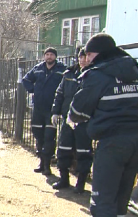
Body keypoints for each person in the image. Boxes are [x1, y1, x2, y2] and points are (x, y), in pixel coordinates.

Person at [68, 34, 138, 217]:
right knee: (122, 194)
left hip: (112, 141)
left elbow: (78, 109)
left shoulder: (99, 74)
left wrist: (73, 119)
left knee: (103, 196)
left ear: (100, 53)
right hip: (137, 139)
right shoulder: (136, 70)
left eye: (90, 54)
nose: (88, 59)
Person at [51, 48, 92, 193]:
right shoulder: (68, 74)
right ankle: (63, 179)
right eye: (80, 57)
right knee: (63, 148)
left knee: (83, 151)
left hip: (84, 121)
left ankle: (81, 183)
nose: (82, 60)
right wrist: (55, 112)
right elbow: (60, 94)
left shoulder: (94, 75)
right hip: (67, 119)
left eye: (85, 57)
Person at [22, 47, 66, 175]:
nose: (49, 57)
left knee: (49, 137)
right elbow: (26, 79)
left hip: (52, 109)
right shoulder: (38, 68)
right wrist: (33, 90)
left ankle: (47, 164)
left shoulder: (61, 69)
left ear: (55, 57)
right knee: (38, 135)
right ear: (44, 56)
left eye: (52, 54)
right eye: (47, 54)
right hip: (38, 108)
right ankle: (41, 162)